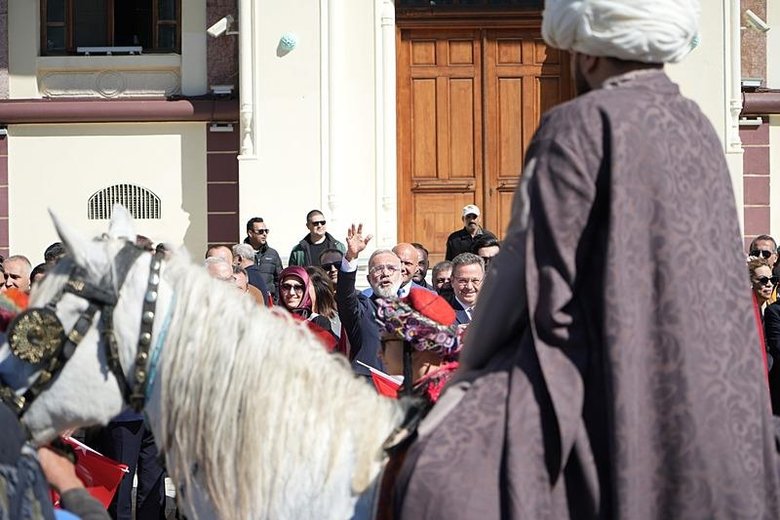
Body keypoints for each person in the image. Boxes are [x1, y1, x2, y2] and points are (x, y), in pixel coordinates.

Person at [392, 1, 780, 518]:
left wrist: (467, 376)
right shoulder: (698, 126)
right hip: (712, 398)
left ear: (588, 53)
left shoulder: (576, 123)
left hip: (605, 378)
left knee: (435, 473)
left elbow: (521, 275)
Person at [375, 288, 463, 403]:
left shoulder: (442, 400)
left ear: (416, 345)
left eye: (384, 343)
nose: (379, 353)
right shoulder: (429, 391)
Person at [336, 224, 402, 377]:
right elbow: (345, 298)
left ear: (401, 275)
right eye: (377, 269)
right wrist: (351, 257)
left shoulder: (416, 311)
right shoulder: (363, 309)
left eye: (391, 268)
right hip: (371, 391)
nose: (385, 273)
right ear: (369, 280)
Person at [243, 217, 283, 302]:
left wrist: (275, 302)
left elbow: (279, 280)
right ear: (250, 233)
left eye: (266, 231)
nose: (264, 234)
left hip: (269, 304)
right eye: (260, 232)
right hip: (248, 302)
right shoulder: (241, 254)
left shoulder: (273, 254)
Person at [448, 253, 485, 325]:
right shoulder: (441, 313)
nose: (469, 287)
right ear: (452, 281)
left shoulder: (496, 310)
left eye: (475, 281)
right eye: (463, 281)